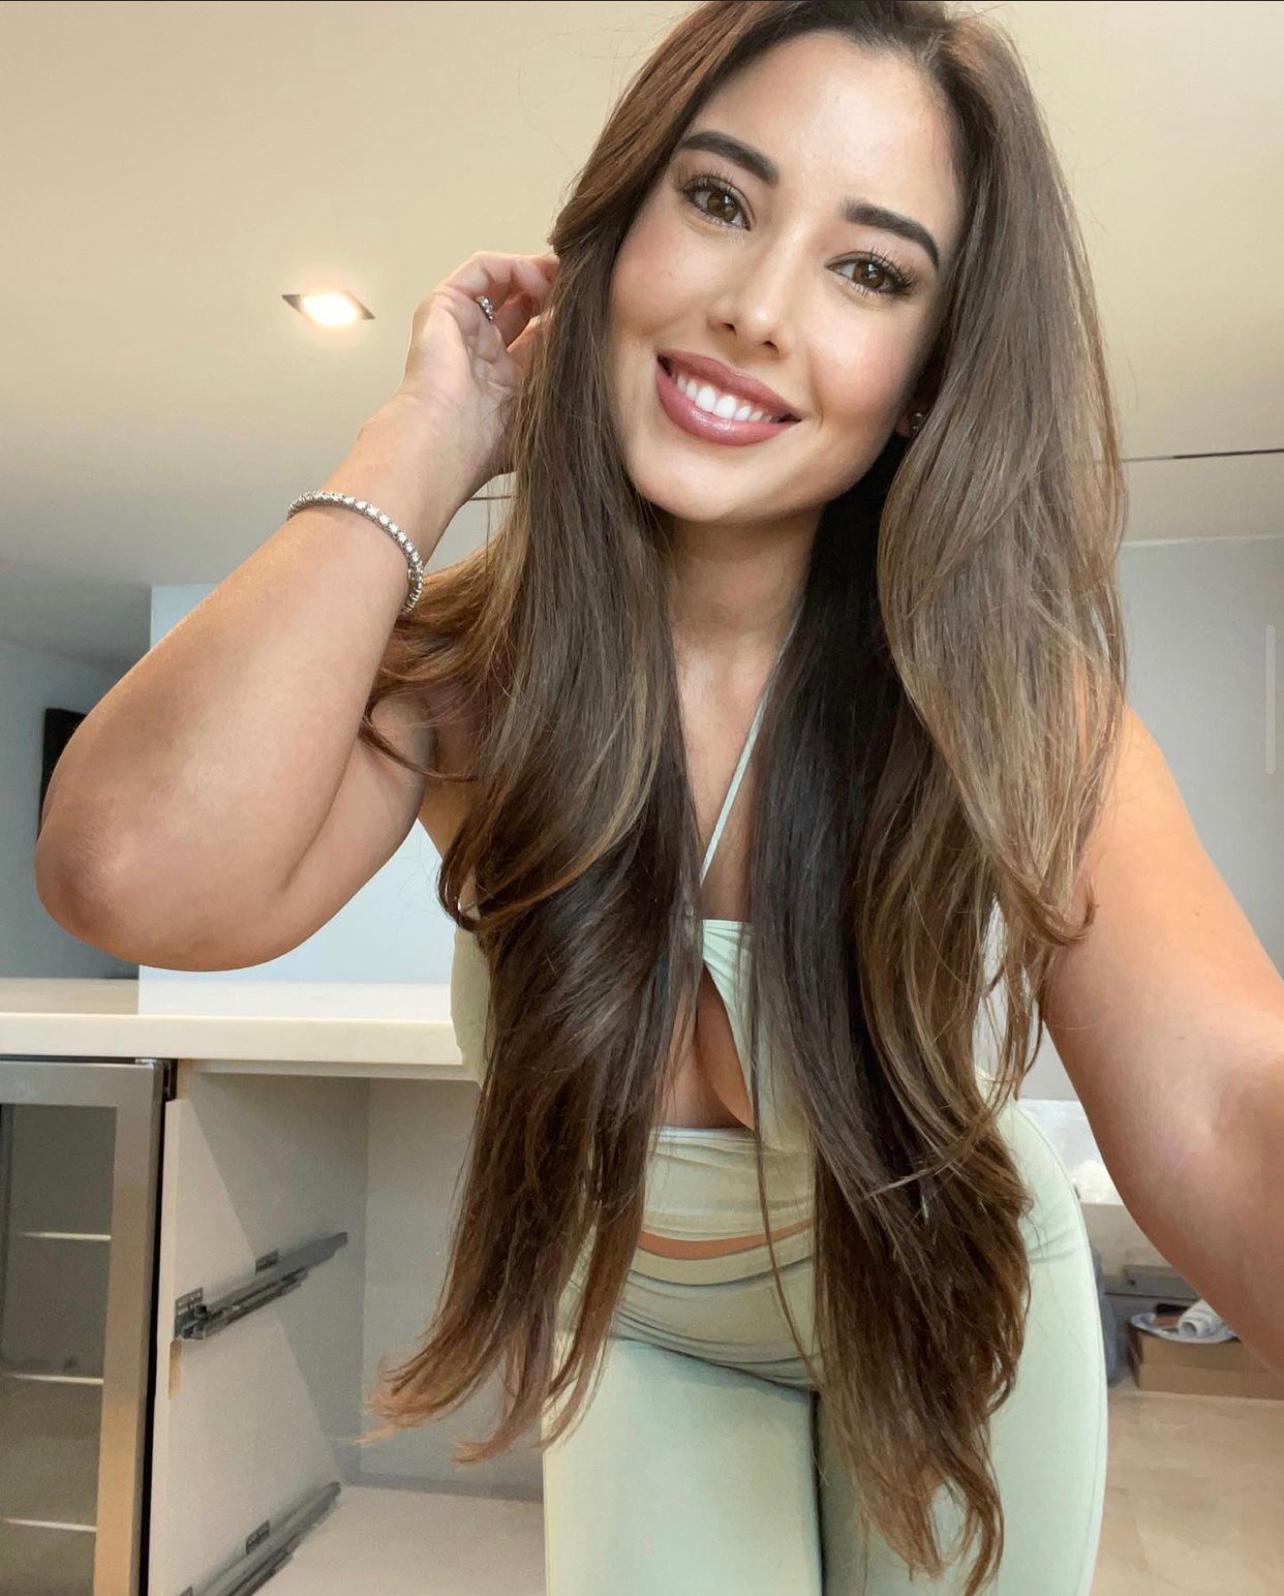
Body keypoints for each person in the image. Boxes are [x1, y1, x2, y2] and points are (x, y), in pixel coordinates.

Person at [36, 4, 1284, 1594]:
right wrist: (429, 437)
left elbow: (1230, 1111)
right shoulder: (470, 683)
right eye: (718, 198)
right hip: (644, 1322)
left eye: (869, 269)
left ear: (929, 373)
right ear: (613, 239)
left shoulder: (1012, 704)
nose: (755, 307)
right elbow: (128, 870)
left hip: (946, 1301)